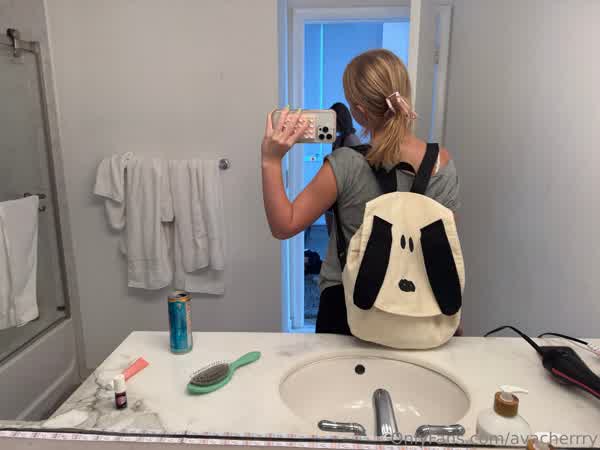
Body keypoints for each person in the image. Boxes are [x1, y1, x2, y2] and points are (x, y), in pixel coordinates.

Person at [261, 49, 461, 335]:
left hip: (348, 305)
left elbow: (284, 225)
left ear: (359, 111)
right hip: (420, 307)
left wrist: (270, 161)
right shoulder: (441, 162)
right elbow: (445, 248)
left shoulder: (345, 163)